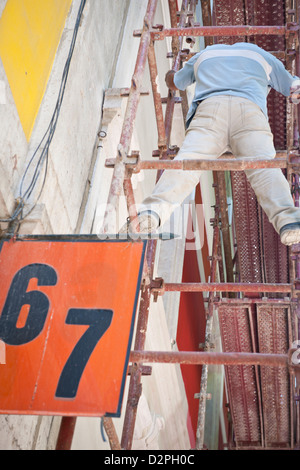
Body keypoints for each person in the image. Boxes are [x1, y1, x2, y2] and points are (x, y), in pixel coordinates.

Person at [120, 42, 300, 245]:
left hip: (210, 111)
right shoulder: (262, 56)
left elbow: (175, 83)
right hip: (250, 113)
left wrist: (170, 74)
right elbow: (293, 87)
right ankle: (288, 221)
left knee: (187, 164)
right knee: (264, 168)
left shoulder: (205, 55)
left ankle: (151, 212)